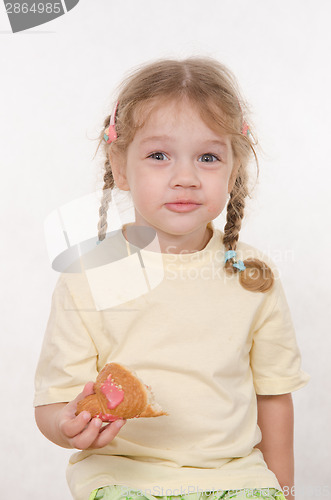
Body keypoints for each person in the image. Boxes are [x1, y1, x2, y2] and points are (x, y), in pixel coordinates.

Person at [34, 57, 310, 500]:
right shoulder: (87, 275)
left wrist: (285, 488)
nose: (185, 178)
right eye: (159, 156)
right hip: (123, 477)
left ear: (233, 170)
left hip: (236, 476)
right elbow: (54, 402)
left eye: (208, 157)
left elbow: (273, 397)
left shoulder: (252, 277)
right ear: (121, 166)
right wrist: (69, 429)